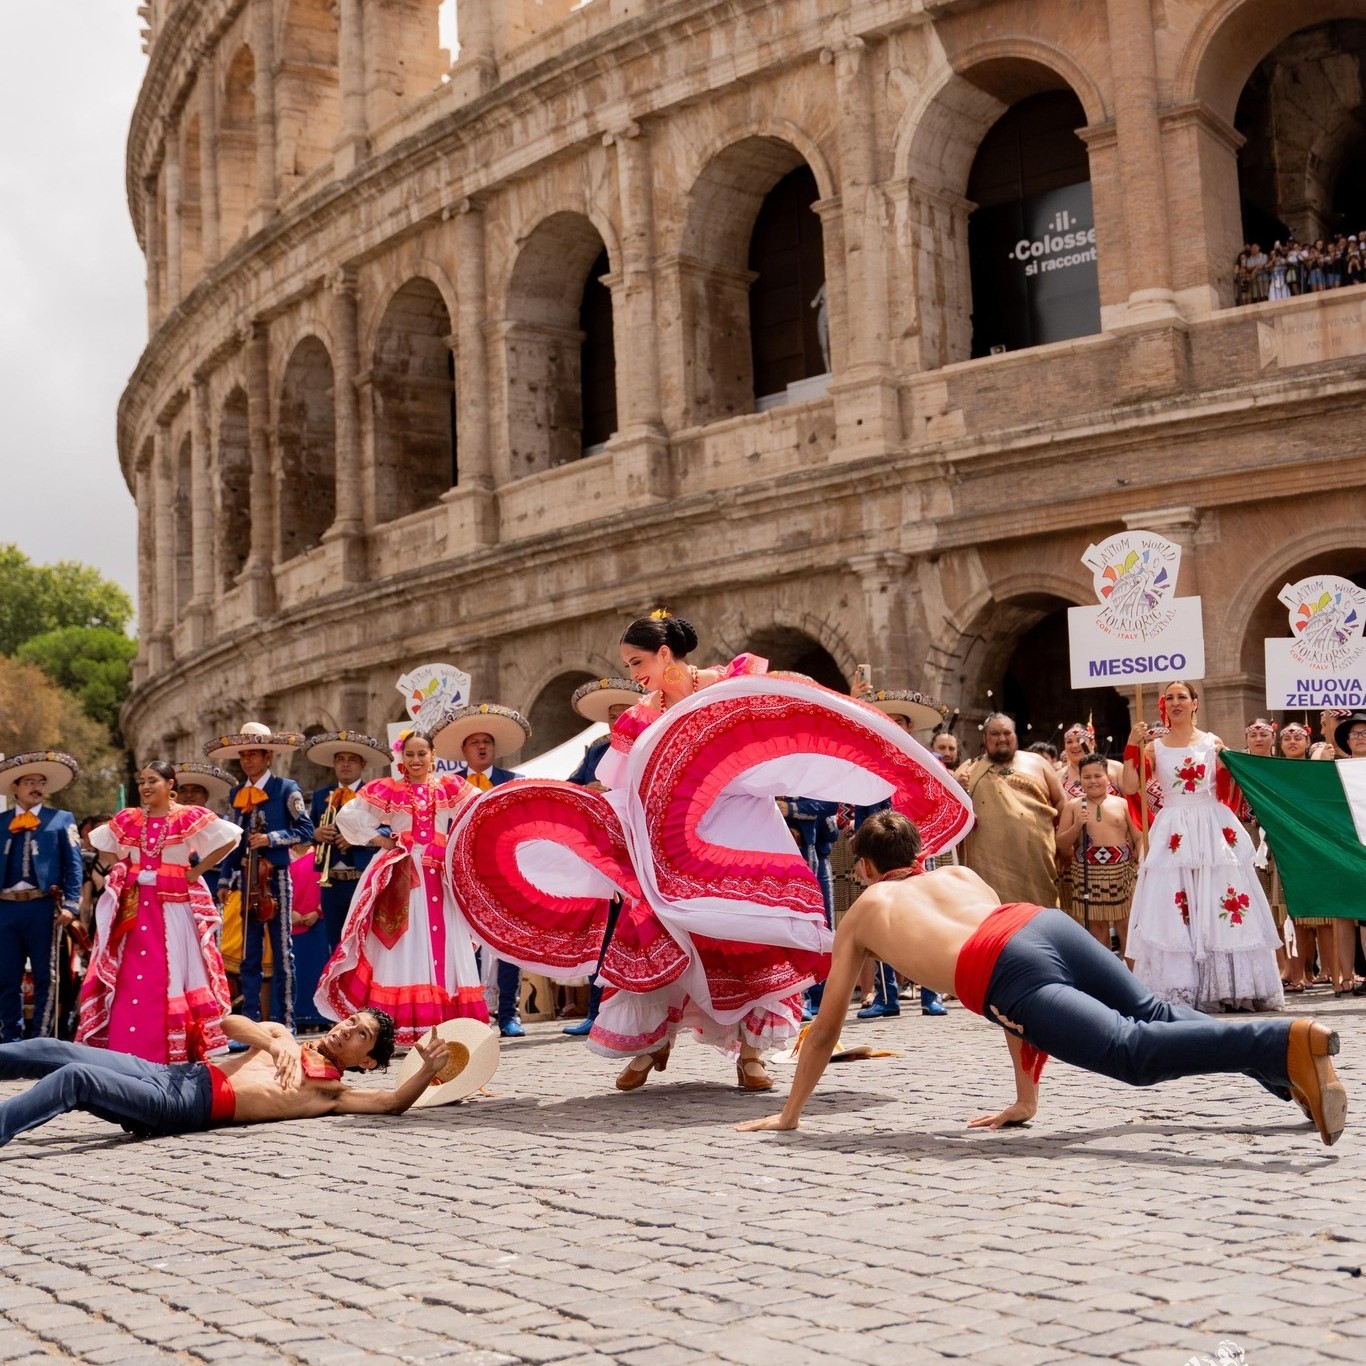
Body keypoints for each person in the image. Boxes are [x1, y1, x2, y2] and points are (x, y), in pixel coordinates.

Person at [737, 810, 1347, 1148]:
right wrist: (1026, 1098)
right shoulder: (959, 877)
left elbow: (827, 1027)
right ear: (919, 857)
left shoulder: (865, 911)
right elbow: (1015, 1010)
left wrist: (791, 1115)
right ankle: (1283, 1068)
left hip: (999, 964)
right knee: (1154, 1016)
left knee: (1131, 1053)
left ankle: (1284, 1041)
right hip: (1039, 922)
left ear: (865, 868)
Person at [0, 1010, 457, 1147]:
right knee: (51, 1049)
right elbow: (230, 1023)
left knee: (77, 1077)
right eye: (351, 1020)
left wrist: (429, 1072)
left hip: (181, 1107)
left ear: (367, 1061)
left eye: (362, 1035)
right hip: (172, 1073)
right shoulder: (283, 1036)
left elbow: (391, 1104)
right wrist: (275, 1043)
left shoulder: (332, 1092)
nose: (346, 1030)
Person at [315, 729, 489, 1045]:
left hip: (440, 875)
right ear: (401, 758)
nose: (416, 760)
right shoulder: (390, 789)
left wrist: (454, 847)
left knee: (445, 942)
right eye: (409, 755)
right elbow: (350, 818)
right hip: (404, 876)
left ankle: (448, 1023)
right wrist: (384, 841)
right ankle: (406, 1022)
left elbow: (480, 812)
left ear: (434, 757)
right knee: (404, 943)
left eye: (422, 754)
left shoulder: (450, 787)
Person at [1122, 682, 1283, 1013]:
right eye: (1170, 698)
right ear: (1163, 705)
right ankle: (1182, 984)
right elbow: (1127, 785)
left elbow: (1230, 780)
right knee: (1175, 901)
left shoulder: (1213, 742)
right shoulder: (1154, 747)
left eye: (1183, 697)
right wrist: (1130, 747)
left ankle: (1229, 986)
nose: (1176, 702)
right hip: (1173, 827)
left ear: (1195, 703)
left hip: (1211, 824)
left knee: (1219, 898)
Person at [75, 762, 239, 1062]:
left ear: (170, 784)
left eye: (153, 780)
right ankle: (123, 1048)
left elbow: (230, 837)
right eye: (142, 781)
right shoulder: (130, 818)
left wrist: (198, 870)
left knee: (170, 972)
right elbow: (98, 840)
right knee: (130, 972)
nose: (146, 786)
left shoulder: (187, 816)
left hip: (173, 908)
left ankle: (165, 1051)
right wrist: (121, 867)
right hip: (136, 908)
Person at [206, 723, 314, 1031]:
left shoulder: (286, 788)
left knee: (282, 953)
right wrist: (226, 880)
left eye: (253, 754)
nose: (247, 760)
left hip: (276, 878)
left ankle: (287, 1021)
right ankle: (250, 1024)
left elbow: (304, 830)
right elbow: (234, 841)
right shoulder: (237, 793)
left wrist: (272, 839)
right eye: (243, 755)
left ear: (268, 757)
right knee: (248, 955)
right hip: (246, 880)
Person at [433, 703, 532, 1038]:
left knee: (509, 943)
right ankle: (473, 1013)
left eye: (486, 741)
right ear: (463, 750)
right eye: (474, 742)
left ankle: (509, 1014)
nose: (481, 746)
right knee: (464, 944)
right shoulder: (445, 787)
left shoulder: (513, 782)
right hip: (461, 874)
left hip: (506, 871)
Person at [564, 678, 646, 1036]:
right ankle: (597, 1011)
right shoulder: (596, 751)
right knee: (604, 930)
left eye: (622, 713)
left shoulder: (648, 743)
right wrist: (588, 790)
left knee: (642, 929)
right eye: (611, 716)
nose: (616, 722)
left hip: (641, 851)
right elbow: (570, 788)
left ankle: (650, 1008)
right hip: (605, 854)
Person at [0, 752, 83, 1042]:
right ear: (15, 787)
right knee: (5, 977)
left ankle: (40, 1042)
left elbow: (74, 865)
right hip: (5, 907)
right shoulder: (0, 822)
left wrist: (72, 905)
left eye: (41, 782)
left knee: (46, 976)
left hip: (43, 907)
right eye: (29, 782)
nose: (36, 787)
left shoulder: (60, 819)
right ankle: (9, 1041)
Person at [957, 713, 1064, 907]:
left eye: (1007, 733)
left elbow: (1062, 802)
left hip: (1036, 861)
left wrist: (1064, 844)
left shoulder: (1038, 763)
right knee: (995, 916)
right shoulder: (969, 768)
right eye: (994, 734)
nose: (1001, 738)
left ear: (1015, 735)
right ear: (984, 738)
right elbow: (944, 803)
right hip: (987, 864)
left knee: (1038, 914)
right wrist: (957, 786)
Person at [304, 731, 390, 951]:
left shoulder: (376, 792)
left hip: (362, 879)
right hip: (331, 882)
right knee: (336, 944)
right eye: (340, 760)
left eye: (351, 760)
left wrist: (359, 838)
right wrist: (316, 834)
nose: (345, 765)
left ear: (362, 764)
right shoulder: (321, 795)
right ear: (333, 764)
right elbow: (306, 831)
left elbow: (391, 829)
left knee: (365, 942)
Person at [1055, 753, 1140, 956]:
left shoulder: (1122, 804)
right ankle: (1110, 980)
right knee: (1097, 929)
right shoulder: (1072, 806)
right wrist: (1077, 826)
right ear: (1080, 779)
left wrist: (1138, 863)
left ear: (1107, 778)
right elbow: (1061, 844)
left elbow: (1138, 837)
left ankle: (1135, 981)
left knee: (1126, 927)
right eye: (1087, 777)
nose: (1093, 781)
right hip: (1088, 874)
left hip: (1122, 874)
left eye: (1097, 776)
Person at [1273, 722, 1334, 991]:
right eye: (1287, 737)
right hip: (1285, 847)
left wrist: (1329, 729)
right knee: (1290, 915)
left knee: (1325, 916)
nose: (1293, 741)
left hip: (1314, 846)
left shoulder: (1315, 768)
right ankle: (1297, 974)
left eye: (1299, 736)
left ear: (1308, 743)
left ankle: (1333, 971)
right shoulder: (1271, 773)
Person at [1330, 711, 1366, 996]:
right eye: (1355, 733)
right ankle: (1346, 975)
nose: (1360, 737)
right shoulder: (1333, 769)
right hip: (1343, 844)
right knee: (1343, 911)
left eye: (1365, 732)